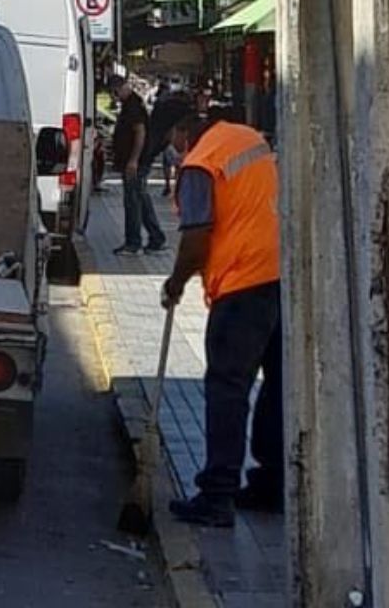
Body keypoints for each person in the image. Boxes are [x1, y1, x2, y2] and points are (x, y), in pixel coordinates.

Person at [162, 112, 283, 528]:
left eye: (176, 142)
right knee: (277, 385)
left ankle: (218, 494)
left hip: (242, 284)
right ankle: (271, 483)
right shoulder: (250, 138)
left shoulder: (200, 163)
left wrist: (175, 283)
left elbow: (195, 240)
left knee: (227, 388)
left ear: (183, 134)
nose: (178, 152)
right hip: (278, 274)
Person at [111, 73, 167, 255]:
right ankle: (156, 238)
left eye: (115, 93)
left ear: (119, 88)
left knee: (133, 201)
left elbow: (140, 132)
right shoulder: (132, 103)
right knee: (141, 199)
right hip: (137, 160)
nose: (115, 97)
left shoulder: (133, 105)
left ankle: (133, 242)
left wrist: (133, 160)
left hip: (136, 162)